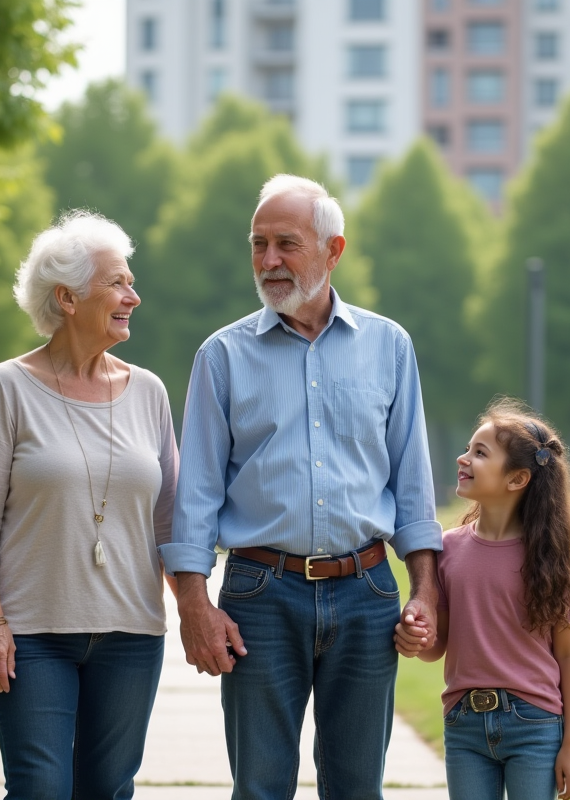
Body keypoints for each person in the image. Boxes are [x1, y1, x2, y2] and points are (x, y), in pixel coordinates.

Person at [162, 174, 442, 799]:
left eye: (286, 244)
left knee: (357, 788)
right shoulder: (221, 355)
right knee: (260, 787)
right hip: (259, 595)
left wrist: (426, 591)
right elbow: (196, 496)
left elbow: (413, 486)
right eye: (258, 244)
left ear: (333, 249)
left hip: (368, 593)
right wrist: (193, 606)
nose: (269, 260)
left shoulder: (390, 346)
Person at [0, 211, 178, 800]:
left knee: (108, 789)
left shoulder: (149, 392)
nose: (133, 296)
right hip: (30, 635)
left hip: (132, 633)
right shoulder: (6, 387)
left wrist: (195, 608)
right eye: (117, 283)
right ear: (68, 297)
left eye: (131, 282)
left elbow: (169, 520)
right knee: (41, 788)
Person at [397, 400, 570, 800]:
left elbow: (569, 656)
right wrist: (416, 637)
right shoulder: (446, 549)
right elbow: (436, 648)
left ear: (517, 479)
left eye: (480, 453)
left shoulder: (548, 559)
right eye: (467, 448)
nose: (463, 458)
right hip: (463, 724)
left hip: (534, 725)